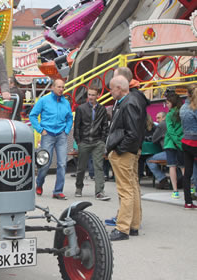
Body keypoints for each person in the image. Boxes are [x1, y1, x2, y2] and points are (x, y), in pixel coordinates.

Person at [106, 76, 147, 241]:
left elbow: (132, 133)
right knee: (132, 187)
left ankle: (122, 228)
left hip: (124, 152)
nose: (110, 92)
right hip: (130, 150)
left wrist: (119, 150)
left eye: (111, 88)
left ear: (119, 88)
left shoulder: (128, 103)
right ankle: (133, 225)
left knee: (126, 190)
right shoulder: (132, 100)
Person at [29, 78, 73, 199]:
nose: (61, 89)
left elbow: (70, 118)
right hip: (47, 134)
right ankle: (39, 183)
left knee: (62, 164)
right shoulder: (44, 100)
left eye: (63, 87)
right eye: (58, 87)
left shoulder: (66, 102)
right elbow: (32, 115)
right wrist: (40, 130)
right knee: (45, 163)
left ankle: (58, 191)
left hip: (61, 135)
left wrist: (67, 130)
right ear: (52, 87)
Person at [73, 86, 110, 200]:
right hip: (84, 141)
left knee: (98, 166)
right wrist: (78, 141)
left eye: (93, 95)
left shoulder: (102, 109)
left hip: (97, 141)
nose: (91, 97)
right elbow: (77, 126)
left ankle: (99, 191)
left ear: (98, 95)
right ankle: (79, 187)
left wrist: (102, 140)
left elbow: (105, 125)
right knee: (81, 167)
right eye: (89, 95)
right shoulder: (81, 109)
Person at [164, 92, 184, 199]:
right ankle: (189, 188)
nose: (166, 105)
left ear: (172, 103)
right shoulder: (182, 113)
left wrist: (176, 141)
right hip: (182, 143)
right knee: (183, 167)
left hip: (170, 143)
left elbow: (170, 130)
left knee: (172, 166)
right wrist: (180, 142)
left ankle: (175, 190)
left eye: (167, 103)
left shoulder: (169, 114)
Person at [180, 84, 197, 208]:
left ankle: (188, 201)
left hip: (186, 142)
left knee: (188, 173)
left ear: (187, 94)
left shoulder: (183, 108)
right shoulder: (195, 108)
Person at [146, 111, 170, 189]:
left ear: (164, 117)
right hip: (179, 151)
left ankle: (162, 179)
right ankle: (179, 179)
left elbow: (153, 139)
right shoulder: (170, 123)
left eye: (158, 118)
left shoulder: (162, 125)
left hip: (168, 152)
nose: (157, 120)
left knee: (149, 160)